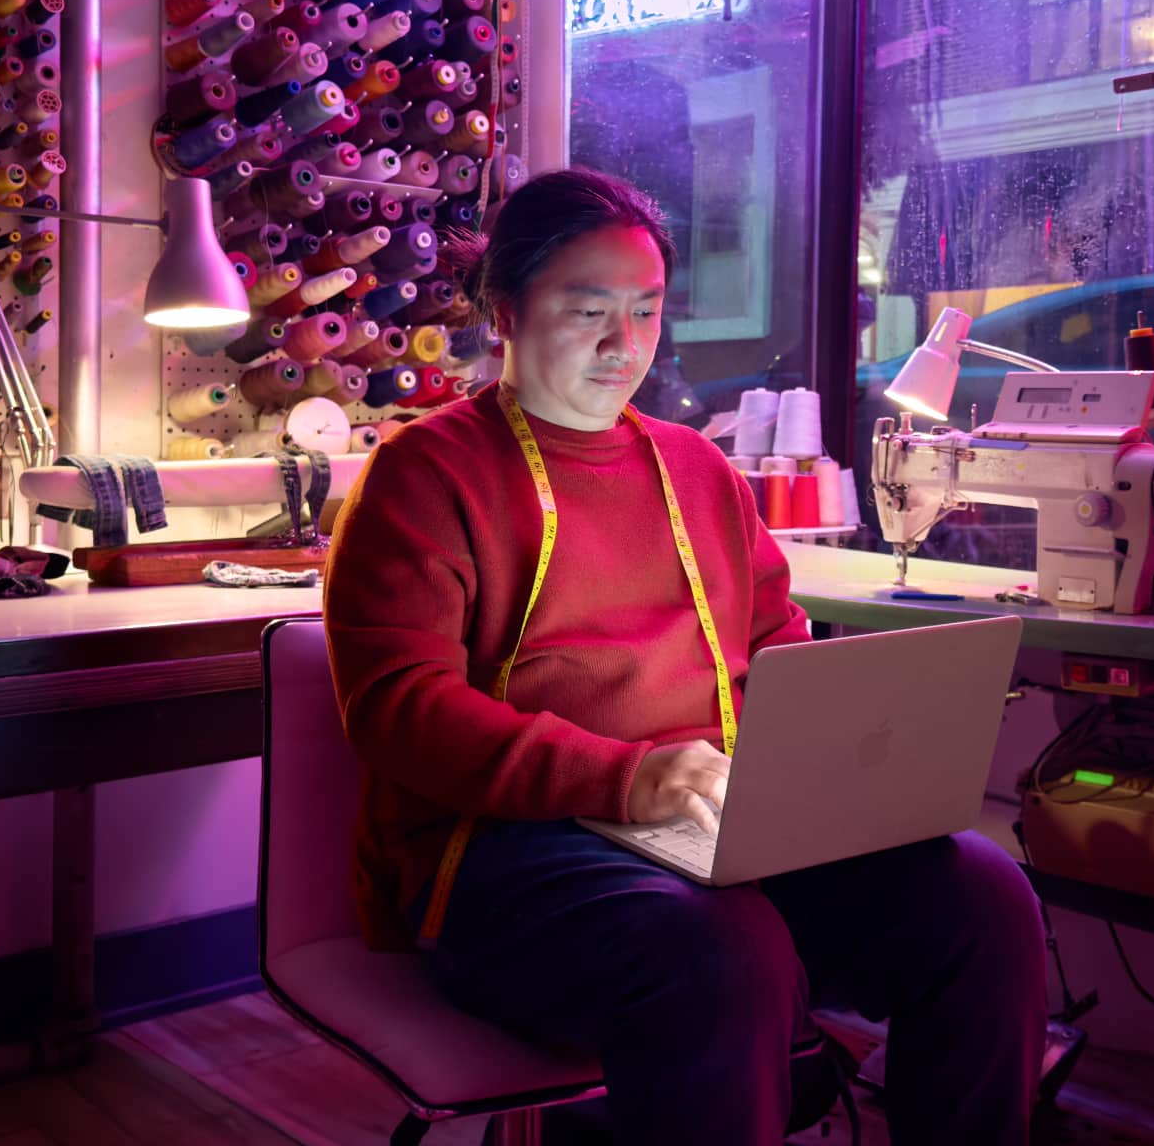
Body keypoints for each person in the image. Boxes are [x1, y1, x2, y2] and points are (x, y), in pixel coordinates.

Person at [323, 168, 1047, 1145]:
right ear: (505, 310)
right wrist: (627, 779)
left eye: (646, 311)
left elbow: (774, 646)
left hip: (711, 832)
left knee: (978, 895)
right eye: (587, 312)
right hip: (500, 855)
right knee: (717, 948)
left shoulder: (697, 470)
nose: (624, 345)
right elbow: (399, 709)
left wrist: (816, 770)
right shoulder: (424, 474)